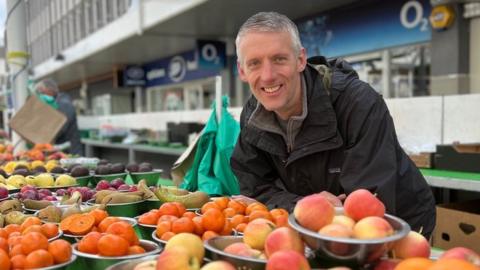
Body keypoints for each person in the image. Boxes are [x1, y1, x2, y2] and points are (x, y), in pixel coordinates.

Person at [230, 11, 436, 238]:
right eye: (255, 63)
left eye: (279, 59)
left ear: (300, 60)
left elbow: (369, 205)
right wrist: (304, 204)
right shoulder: (252, 114)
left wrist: (308, 209)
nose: (267, 76)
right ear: (242, 71)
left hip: (399, 226)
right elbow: (254, 190)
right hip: (318, 227)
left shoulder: (357, 104)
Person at [35, 78, 84, 156]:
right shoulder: (54, 103)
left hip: (71, 153)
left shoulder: (64, 104)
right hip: (61, 152)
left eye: (41, 92)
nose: (40, 95)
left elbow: (59, 128)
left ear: (49, 90)